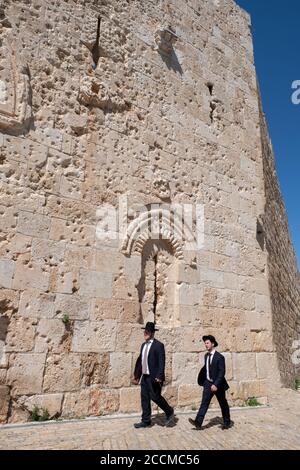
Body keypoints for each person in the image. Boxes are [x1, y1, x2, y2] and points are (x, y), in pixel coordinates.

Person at [133, 322, 175, 428]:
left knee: (155, 397)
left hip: (154, 377)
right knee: (144, 398)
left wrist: (159, 376)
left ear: (152, 333)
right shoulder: (143, 345)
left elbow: (162, 362)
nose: (145, 333)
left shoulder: (158, 345)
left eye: (147, 331)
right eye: (144, 331)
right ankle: (146, 421)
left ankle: (169, 411)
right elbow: (140, 361)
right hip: (145, 376)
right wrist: (137, 376)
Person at [189, 335, 232, 430]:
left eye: (207, 343)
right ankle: (198, 422)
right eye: (205, 343)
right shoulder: (206, 356)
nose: (206, 345)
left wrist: (216, 384)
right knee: (204, 403)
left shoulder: (219, 357)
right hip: (207, 383)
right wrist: (205, 382)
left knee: (223, 403)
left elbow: (222, 372)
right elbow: (207, 369)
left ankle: (227, 422)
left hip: (218, 385)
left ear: (212, 344)